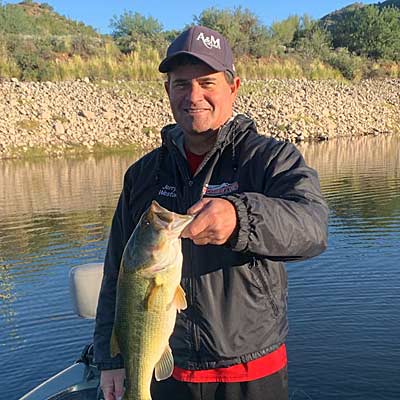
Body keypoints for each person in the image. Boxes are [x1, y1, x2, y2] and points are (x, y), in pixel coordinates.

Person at [94, 25, 329, 400]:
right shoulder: (142, 174)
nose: (193, 96)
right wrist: (110, 360)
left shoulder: (270, 159)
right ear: (168, 91)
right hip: (166, 374)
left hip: (252, 373)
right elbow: (116, 275)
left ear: (233, 87)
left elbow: (312, 227)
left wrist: (241, 218)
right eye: (181, 84)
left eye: (207, 82)